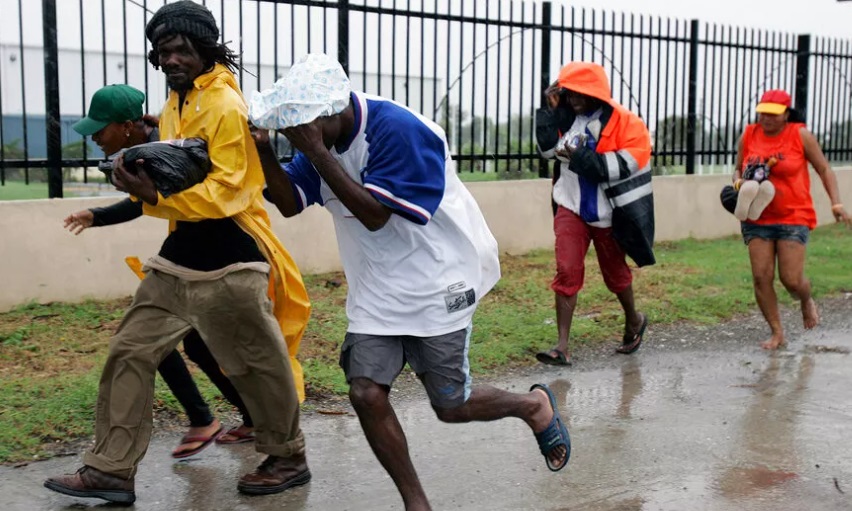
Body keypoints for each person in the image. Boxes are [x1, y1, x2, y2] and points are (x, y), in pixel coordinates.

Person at [249, 53, 571, 511]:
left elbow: (375, 215)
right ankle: (416, 502)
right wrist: (265, 148)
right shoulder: (321, 138)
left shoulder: (397, 130)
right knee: (365, 391)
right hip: (377, 290)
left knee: (451, 405)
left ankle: (532, 406)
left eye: (303, 128)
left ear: (332, 112)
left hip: (439, 279)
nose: (298, 137)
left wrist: (317, 153)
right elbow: (288, 202)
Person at [44, 1, 311, 504]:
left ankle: (287, 456)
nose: (171, 59)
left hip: (232, 255)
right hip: (180, 254)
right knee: (130, 350)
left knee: (256, 363)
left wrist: (153, 195)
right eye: (163, 51)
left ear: (205, 49)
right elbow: (178, 169)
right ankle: (110, 470)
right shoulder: (176, 101)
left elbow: (228, 191)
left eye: (181, 49)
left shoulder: (225, 105)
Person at [64, 84, 257, 458]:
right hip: (198, 249)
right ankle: (245, 420)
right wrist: (96, 216)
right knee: (190, 343)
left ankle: (225, 423)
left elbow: (157, 199)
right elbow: (147, 200)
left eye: (100, 130)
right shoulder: (149, 147)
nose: (94, 138)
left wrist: (100, 214)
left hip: (216, 251)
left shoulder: (160, 149)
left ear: (126, 126)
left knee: (150, 337)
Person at [533, 61, 654, 366]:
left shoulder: (629, 125)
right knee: (567, 270)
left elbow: (614, 168)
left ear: (596, 94)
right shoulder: (566, 117)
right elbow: (547, 152)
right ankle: (561, 347)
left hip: (609, 213)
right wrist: (549, 111)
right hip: (570, 206)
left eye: (580, 93)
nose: (574, 99)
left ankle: (634, 319)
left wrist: (578, 155)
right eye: (569, 93)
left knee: (616, 275)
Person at [733, 89, 851, 350]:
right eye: (763, 113)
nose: (766, 118)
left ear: (787, 114)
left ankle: (806, 300)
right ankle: (777, 332)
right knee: (761, 277)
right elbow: (738, 167)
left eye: (773, 114)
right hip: (757, 216)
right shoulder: (749, 134)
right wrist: (739, 183)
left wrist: (836, 203)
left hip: (793, 216)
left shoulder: (800, 135)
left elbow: (824, 168)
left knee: (792, 280)